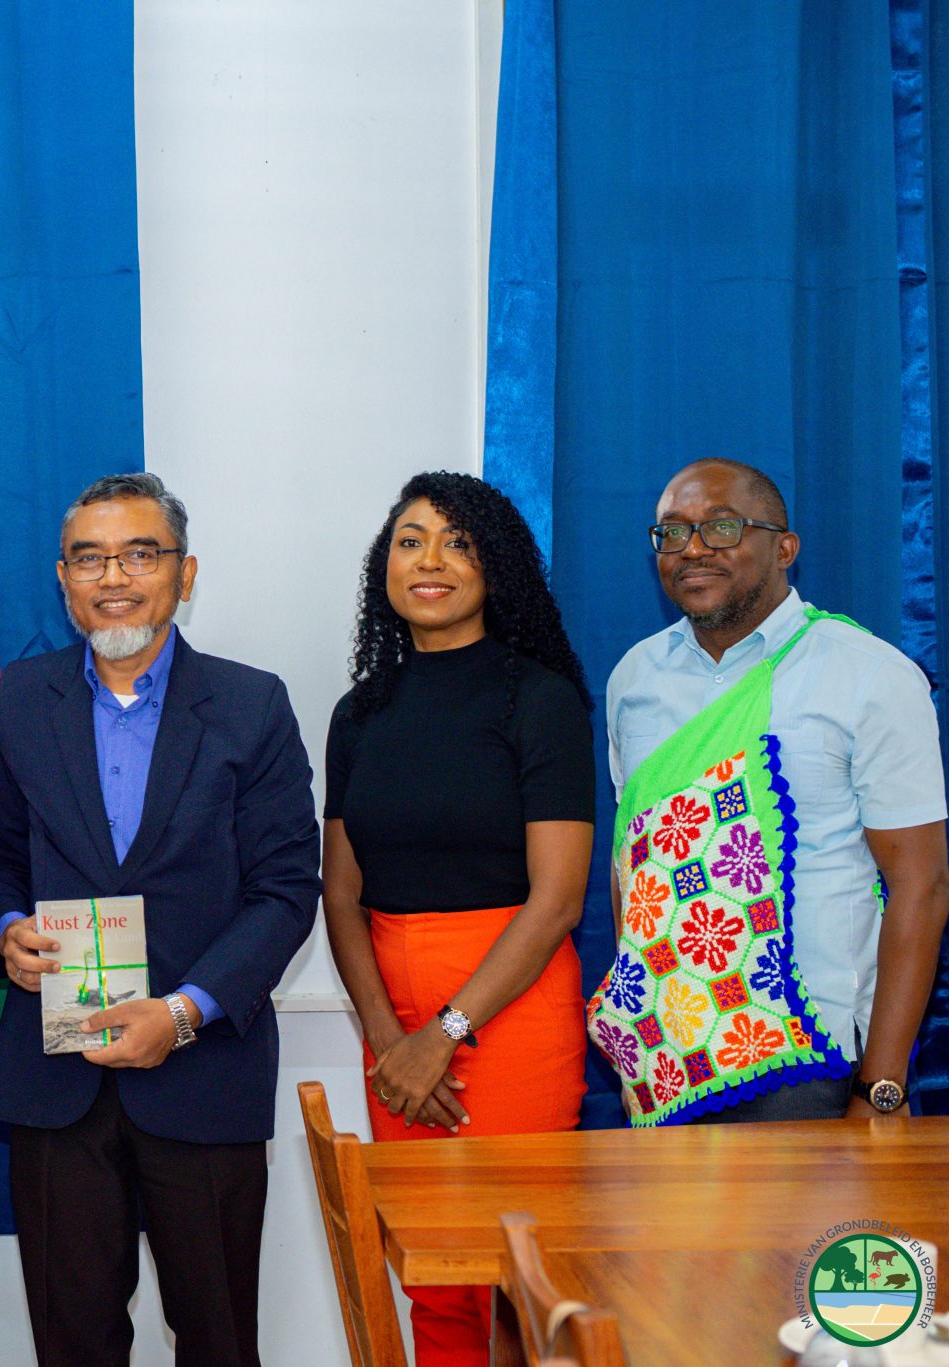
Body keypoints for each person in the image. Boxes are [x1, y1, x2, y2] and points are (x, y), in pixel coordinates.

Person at [0, 472, 320, 1367]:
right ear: (63, 578)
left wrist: (184, 1011)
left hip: (203, 1074)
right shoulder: (20, 700)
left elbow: (287, 888)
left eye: (139, 554)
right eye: (90, 558)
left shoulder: (252, 704)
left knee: (218, 1342)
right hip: (56, 1080)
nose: (114, 577)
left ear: (184, 572)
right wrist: (5, 926)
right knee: (73, 1344)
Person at [320, 471, 594, 1367]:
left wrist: (443, 1033)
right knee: (430, 1271)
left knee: (513, 1276)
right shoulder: (359, 713)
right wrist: (387, 1039)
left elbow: (557, 900)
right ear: (385, 566)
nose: (429, 560)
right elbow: (341, 893)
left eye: (456, 541)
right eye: (410, 541)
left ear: (495, 566)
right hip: (390, 1014)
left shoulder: (541, 700)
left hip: (509, 1006)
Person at [596, 458, 949, 1123]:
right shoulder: (634, 679)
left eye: (722, 526)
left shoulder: (869, 674)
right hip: (669, 1061)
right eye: (672, 532)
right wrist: (638, 1041)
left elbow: (921, 886)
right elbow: (635, 864)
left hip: (807, 1061)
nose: (693, 548)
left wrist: (882, 1086)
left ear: (784, 548)